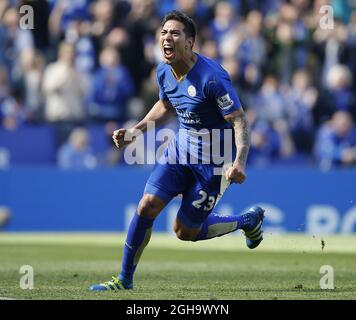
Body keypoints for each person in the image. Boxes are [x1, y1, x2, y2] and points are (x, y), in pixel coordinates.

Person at [90, 11, 265, 291]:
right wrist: (135, 131)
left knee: (185, 232)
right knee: (147, 205)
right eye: (163, 33)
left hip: (214, 161)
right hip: (179, 151)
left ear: (190, 42)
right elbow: (166, 105)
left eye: (174, 33)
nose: (166, 38)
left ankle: (247, 220)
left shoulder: (212, 78)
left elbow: (238, 118)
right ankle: (124, 280)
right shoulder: (163, 71)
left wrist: (239, 160)